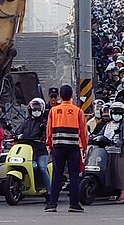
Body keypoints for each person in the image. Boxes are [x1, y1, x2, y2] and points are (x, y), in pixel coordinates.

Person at [45, 84, 88, 213]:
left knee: (57, 174)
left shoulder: (53, 111)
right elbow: (83, 131)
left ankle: (52, 204)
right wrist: (85, 147)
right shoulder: (78, 111)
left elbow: (49, 130)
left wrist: (49, 144)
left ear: (60, 96)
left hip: (58, 147)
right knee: (74, 175)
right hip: (73, 147)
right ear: (72, 96)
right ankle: (74, 204)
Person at [16, 98, 50, 202]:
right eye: (34, 108)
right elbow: (18, 132)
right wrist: (16, 136)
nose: (36, 111)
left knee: (42, 168)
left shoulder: (45, 122)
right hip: (26, 151)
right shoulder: (26, 122)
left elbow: (48, 135)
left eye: (38, 109)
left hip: (40, 151)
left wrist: (43, 136)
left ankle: (49, 192)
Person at [101, 102, 124, 203]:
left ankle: (123, 194)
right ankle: (112, 192)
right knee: (110, 173)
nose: (117, 116)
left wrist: (120, 142)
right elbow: (100, 134)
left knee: (121, 174)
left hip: (120, 153)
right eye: (115, 113)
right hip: (108, 152)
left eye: (119, 114)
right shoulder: (107, 125)